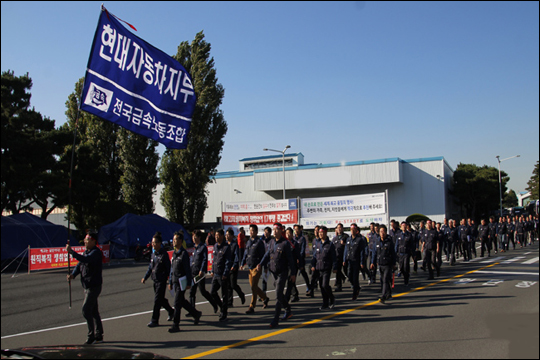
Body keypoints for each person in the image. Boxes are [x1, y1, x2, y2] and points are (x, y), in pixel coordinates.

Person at [66, 232, 104, 345]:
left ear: (93, 241)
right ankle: (99, 334)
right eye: (85, 239)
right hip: (87, 285)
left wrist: (72, 252)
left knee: (86, 310)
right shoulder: (86, 252)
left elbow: (86, 260)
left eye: (88, 239)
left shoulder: (96, 253)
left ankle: (91, 335)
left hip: (94, 286)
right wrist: (73, 275)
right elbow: (80, 264)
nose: (85, 241)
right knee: (94, 311)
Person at [261, 223, 296, 328]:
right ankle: (288, 310)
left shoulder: (285, 244)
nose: (274, 231)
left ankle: (275, 320)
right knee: (279, 294)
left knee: (277, 296)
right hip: (273, 272)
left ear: (281, 231)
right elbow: (267, 255)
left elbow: (291, 260)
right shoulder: (271, 242)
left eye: (277, 229)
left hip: (282, 273)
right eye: (273, 229)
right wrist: (260, 264)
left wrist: (293, 274)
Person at [168, 231, 201, 333]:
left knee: (177, 303)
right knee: (181, 301)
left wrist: (188, 283)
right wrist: (170, 281)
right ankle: (195, 313)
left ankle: (176, 325)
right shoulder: (174, 253)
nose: (174, 241)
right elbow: (172, 269)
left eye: (176, 239)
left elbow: (187, 269)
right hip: (175, 281)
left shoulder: (184, 254)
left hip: (181, 282)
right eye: (173, 240)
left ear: (181, 241)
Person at [141, 232, 174, 328]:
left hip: (161, 281)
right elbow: (150, 267)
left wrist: (170, 281)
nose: (153, 244)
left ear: (159, 243)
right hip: (155, 280)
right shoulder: (153, 254)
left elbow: (169, 269)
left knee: (157, 300)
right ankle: (171, 311)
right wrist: (145, 277)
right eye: (152, 242)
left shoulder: (164, 255)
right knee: (160, 299)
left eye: (155, 242)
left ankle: (154, 320)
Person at [240, 224, 270, 314]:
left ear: (256, 232)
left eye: (253, 230)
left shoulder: (259, 242)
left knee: (253, 287)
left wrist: (263, 266)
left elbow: (263, 256)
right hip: (249, 267)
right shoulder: (248, 241)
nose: (251, 232)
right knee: (254, 287)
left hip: (257, 267)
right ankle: (264, 298)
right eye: (250, 230)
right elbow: (246, 253)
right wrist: (242, 263)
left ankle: (252, 306)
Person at [188, 230, 219, 315]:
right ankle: (192, 310)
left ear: (199, 237)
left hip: (199, 273)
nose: (194, 239)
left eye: (195, 237)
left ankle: (214, 304)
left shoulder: (202, 248)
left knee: (202, 291)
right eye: (193, 237)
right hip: (193, 273)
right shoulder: (195, 248)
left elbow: (205, 260)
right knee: (192, 292)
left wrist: (202, 270)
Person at [312, 226, 337, 311]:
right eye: (319, 232)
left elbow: (334, 257)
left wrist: (335, 266)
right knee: (322, 287)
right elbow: (315, 256)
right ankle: (325, 303)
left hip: (326, 267)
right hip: (319, 268)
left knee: (325, 285)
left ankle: (332, 298)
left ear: (326, 233)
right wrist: (312, 265)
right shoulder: (318, 244)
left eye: (322, 232)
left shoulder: (330, 244)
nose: (320, 234)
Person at [210, 229, 232, 322]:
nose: (216, 237)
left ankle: (224, 312)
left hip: (223, 275)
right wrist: (212, 270)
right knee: (212, 292)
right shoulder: (215, 246)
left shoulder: (226, 247)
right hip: (216, 273)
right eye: (215, 235)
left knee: (224, 294)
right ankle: (221, 306)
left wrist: (225, 273)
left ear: (222, 236)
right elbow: (214, 259)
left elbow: (228, 261)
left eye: (218, 235)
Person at [372, 225, 397, 304]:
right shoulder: (377, 241)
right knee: (383, 280)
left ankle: (383, 296)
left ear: (386, 232)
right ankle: (389, 294)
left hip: (388, 264)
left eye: (384, 231)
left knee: (385, 279)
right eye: (381, 232)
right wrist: (372, 262)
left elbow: (393, 253)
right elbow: (374, 253)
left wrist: (394, 263)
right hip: (380, 264)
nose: (382, 233)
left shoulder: (389, 241)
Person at [343, 223, 367, 300]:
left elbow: (362, 252)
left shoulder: (360, 240)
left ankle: (355, 292)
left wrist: (362, 262)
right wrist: (344, 259)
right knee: (349, 276)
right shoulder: (348, 239)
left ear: (356, 230)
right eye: (351, 230)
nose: (352, 231)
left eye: (354, 230)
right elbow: (346, 250)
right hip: (350, 261)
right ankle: (357, 287)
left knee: (355, 278)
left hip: (356, 261)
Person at [226, 228, 246, 307]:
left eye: (228, 235)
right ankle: (229, 301)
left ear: (231, 236)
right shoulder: (226, 244)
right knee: (228, 285)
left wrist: (234, 265)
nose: (227, 236)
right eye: (226, 235)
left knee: (233, 284)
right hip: (227, 267)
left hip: (233, 267)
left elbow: (237, 256)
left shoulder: (234, 245)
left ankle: (241, 295)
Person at [395, 222, 414, 286]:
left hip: (406, 253)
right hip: (400, 253)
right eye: (403, 226)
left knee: (406, 267)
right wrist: (395, 253)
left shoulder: (409, 235)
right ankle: (403, 274)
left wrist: (413, 253)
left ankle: (406, 280)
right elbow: (397, 245)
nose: (404, 227)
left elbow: (412, 245)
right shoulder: (399, 235)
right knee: (401, 267)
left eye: (405, 226)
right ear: (401, 226)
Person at [294, 224, 310, 295]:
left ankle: (308, 286)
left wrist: (299, 258)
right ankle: (294, 293)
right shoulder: (293, 239)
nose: (296, 231)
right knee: (293, 275)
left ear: (300, 230)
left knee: (303, 273)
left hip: (301, 259)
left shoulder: (302, 238)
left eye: (297, 229)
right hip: (294, 259)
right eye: (295, 229)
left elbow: (302, 250)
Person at [284, 227, 300, 303]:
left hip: (293, 265)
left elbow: (298, 254)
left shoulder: (295, 243)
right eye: (286, 233)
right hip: (286, 265)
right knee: (289, 280)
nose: (288, 235)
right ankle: (295, 294)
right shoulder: (284, 243)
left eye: (289, 233)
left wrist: (300, 263)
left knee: (291, 281)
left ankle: (288, 297)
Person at [332, 223, 348, 292]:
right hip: (337, 257)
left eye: (340, 228)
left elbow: (348, 245)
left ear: (342, 228)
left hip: (344, 256)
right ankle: (339, 286)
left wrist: (344, 244)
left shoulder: (345, 236)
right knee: (337, 271)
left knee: (347, 271)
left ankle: (353, 282)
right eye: (338, 228)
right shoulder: (335, 238)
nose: (339, 229)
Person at [307, 225, 321, 298]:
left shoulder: (322, 241)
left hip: (321, 262)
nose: (316, 232)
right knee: (313, 277)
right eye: (315, 230)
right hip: (315, 261)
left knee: (321, 279)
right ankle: (311, 291)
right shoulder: (314, 241)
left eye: (318, 230)